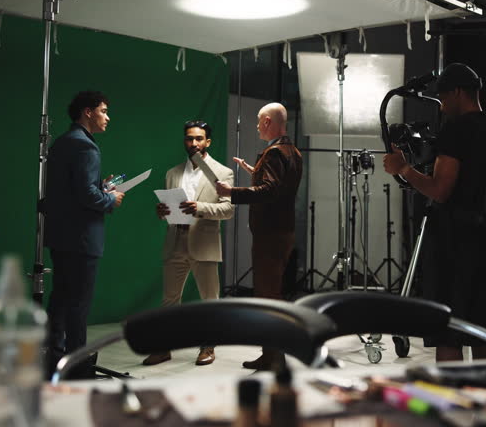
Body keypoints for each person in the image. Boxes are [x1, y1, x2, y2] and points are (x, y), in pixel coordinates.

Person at [383, 63, 486, 362]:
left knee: (447, 329)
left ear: (458, 92)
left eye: (444, 98)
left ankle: (451, 406)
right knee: (479, 328)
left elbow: (440, 190)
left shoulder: (457, 131)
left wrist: (404, 169)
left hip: (453, 244)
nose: (443, 106)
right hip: (482, 241)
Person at [43, 90, 125, 375]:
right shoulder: (86, 147)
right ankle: (77, 366)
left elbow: (66, 191)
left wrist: (99, 187)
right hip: (81, 239)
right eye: (103, 110)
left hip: (60, 236)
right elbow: (86, 196)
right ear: (88, 112)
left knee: (60, 301)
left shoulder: (62, 142)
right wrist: (109, 199)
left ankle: (54, 358)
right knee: (78, 306)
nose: (107, 117)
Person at [215, 103, 302, 370]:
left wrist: (232, 192)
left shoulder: (275, 152)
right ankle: (271, 354)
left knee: (267, 296)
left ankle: (274, 356)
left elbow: (269, 190)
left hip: (270, 233)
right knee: (270, 294)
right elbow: (279, 186)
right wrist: (254, 170)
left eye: (257, 121)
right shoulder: (292, 151)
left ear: (266, 121)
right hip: (282, 231)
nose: (255, 126)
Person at [142, 121, 235, 367]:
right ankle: (163, 348)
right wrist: (162, 211)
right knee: (169, 300)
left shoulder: (222, 172)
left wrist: (199, 208)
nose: (193, 143)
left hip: (204, 243)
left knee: (209, 300)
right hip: (175, 239)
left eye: (198, 138)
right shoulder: (172, 173)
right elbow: (171, 208)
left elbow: (228, 210)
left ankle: (208, 346)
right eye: (189, 139)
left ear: (208, 142)